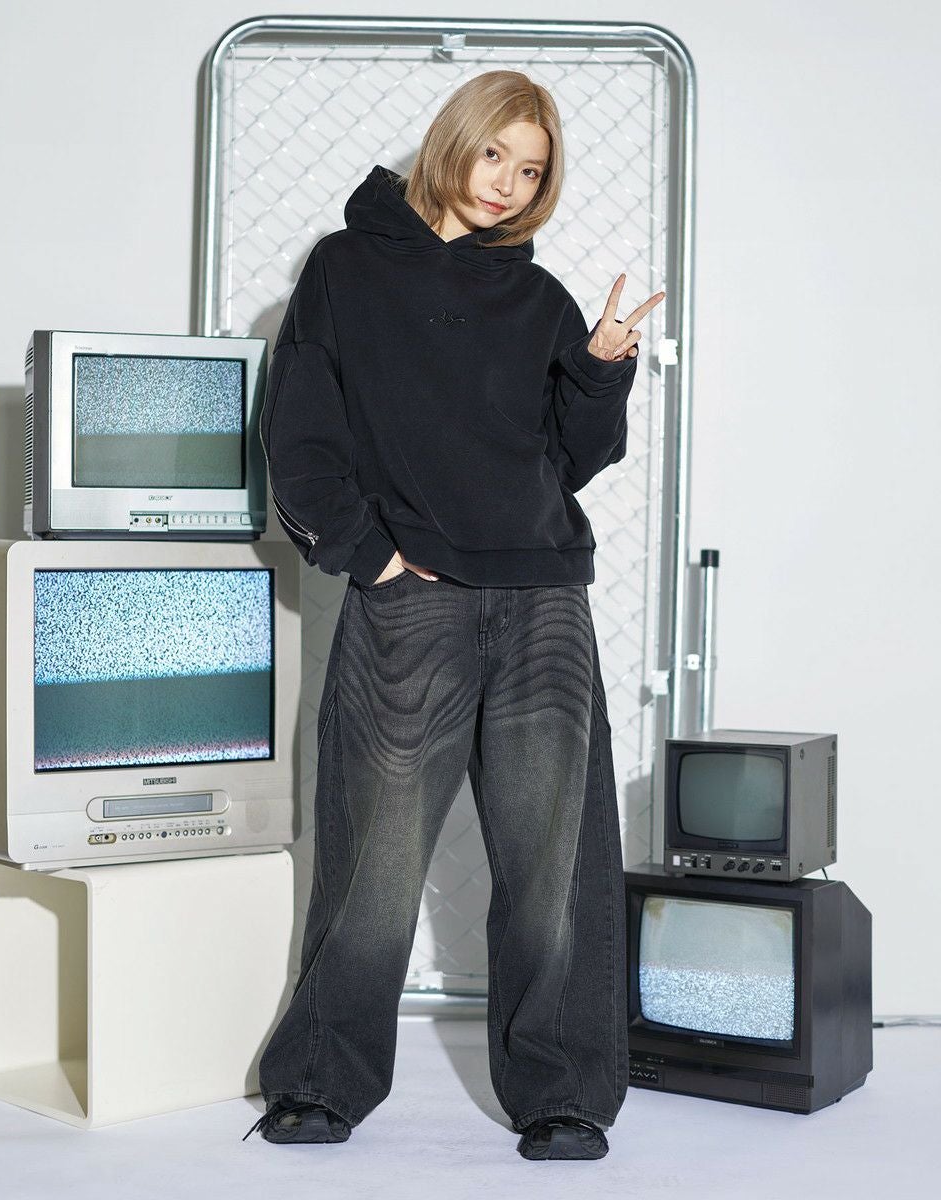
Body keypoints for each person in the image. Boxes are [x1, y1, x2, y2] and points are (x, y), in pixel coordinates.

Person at [242, 69, 664, 1162]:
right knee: (373, 864)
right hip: (411, 601)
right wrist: (371, 558)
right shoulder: (344, 271)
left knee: (551, 864)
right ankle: (320, 1080)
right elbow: (300, 437)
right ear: (454, 141)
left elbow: (573, 460)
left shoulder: (540, 299)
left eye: (531, 170)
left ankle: (562, 1093)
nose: (507, 184)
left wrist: (601, 369)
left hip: (542, 603)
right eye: (495, 155)